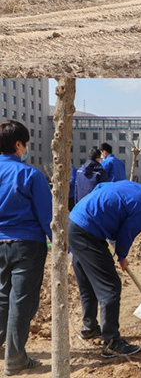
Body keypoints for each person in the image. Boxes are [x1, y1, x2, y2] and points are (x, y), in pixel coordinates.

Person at [69, 179, 141, 357]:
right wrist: (122, 256)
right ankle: (112, 342)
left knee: (88, 281)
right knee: (111, 287)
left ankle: (89, 327)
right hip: (88, 232)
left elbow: (101, 187)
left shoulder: (135, 187)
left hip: (76, 221)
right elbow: (127, 233)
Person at [0, 121, 52, 375]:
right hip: (27, 245)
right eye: (26, 144)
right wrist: (59, 242)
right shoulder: (30, 174)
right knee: (21, 302)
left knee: (2, 297)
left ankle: (4, 348)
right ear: (18, 144)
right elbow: (47, 216)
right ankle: (15, 359)